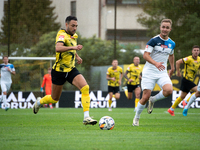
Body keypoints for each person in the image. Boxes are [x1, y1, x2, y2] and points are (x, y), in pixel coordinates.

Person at [33, 16, 97, 125]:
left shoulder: (74, 36)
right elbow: (58, 48)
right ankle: (39, 102)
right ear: (66, 24)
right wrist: (74, 48)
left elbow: (71, 46)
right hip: (59, 71)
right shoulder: (62, 34)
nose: (75, 28)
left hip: (71, 69)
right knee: (54, 99)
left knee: (85, 88)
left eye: (76, 26)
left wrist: (77, 56)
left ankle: (86, 117)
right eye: (73, 25)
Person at [132, 19, 175, 126]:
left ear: (170, 29)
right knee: (145, 97)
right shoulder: (153, 40)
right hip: (149, 72)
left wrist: (172, 67)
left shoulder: (172, 43)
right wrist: (155, 63)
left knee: (169, 90)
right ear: (160, 28)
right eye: (163, 27)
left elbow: (171, 55)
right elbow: (145, 55)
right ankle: (136, 118)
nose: (165, 29)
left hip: (162, 72)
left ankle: (153, 99)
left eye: (167, 27)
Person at [167, 45, 200, 116]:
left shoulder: (199, 59)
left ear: (199, 52)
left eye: (197, 50)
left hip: (189, 81)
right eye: (195, 50)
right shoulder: (189, 59)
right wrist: (178, 72)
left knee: (182, 96)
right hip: (186, 80)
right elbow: (178, 62)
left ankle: (171, 109)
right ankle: (186, 101)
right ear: (192, 51)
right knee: (198, 91)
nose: (196, 52)